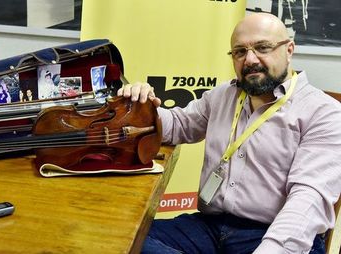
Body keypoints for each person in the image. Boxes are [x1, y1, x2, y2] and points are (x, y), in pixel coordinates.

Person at [118, 13, 341, 254]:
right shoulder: (224, 95)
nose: (250, 59)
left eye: (262, 47)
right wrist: (140, 108)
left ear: (289, 49)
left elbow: (308, 199)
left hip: (275, 233)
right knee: (122, 241)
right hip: (211, 228)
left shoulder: (325, 113)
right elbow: (179, 124)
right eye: (240, 52)